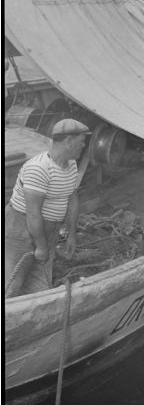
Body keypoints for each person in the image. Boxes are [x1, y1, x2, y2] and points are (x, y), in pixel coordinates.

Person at [5, 119, 90, 296]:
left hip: (49, 231)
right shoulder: (39, 168)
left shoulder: (71, 164)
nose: (83, 146)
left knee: (40, 287)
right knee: (10, 285)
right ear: (68, 141)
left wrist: (71, 235)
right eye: (81, 142)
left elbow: (72, 199)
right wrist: (41, 247)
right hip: (21, 230)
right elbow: (33, 214)